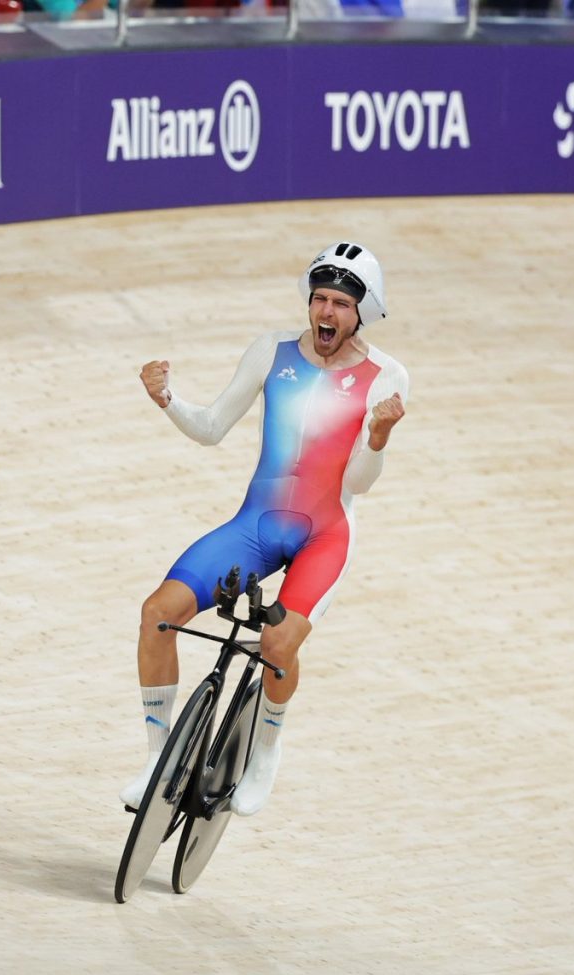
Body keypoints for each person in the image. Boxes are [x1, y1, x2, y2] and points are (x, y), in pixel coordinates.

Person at [119, 241, 409, 817]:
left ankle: (266, 749)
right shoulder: (270, 352)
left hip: (323, 537)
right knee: (158, 612)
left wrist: (377, 438)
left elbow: (361, 481)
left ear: (363, 312)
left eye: (340, 304)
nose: (325, 313)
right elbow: (210, 428)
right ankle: (157, 760)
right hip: (254, 526)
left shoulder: (387, 376)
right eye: (319, 299)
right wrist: (168, 399)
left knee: (278, 643)